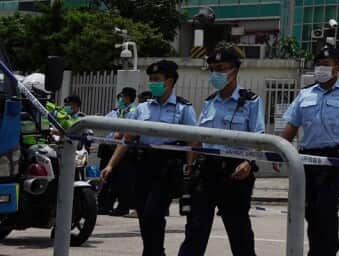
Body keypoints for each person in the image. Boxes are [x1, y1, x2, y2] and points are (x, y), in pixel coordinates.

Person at [279, 45, 339, 256]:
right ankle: (317, 250)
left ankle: (327, 251)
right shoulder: (305, 94)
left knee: (326, 206)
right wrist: (279, 150)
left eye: (325, 64)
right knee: (310, 209)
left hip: (336, 158)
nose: (320, 68)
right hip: (308, 157)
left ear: (336, 68)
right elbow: (292, 125)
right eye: (318, 64)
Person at [102, 60, 198, 256]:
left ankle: (154, 252)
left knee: (154, 212)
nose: (153, 83)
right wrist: (111, 165)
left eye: (157, 79)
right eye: (151, 79)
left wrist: (190, 167)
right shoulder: (142, 108)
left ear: (169, 81)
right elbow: (127, 139)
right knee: (143, 213)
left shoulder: (183, 108)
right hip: (142, 165)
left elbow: (193, 142)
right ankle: (153, 251)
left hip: (167, 167)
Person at [178, 47, 264, 256]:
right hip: (207, 170)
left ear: (234, 71)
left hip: (236, 171)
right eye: (213, 69)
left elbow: (259, 138)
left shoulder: (250, 101)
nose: (216, 73)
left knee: (239, 231)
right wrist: (190, 167)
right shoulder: (209, 103)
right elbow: (198, 140)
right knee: (195, 229)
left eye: (221, 68)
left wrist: (248, 162)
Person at [98, 87, 139, 216]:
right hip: (110, 148)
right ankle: (105, 205)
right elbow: (104, 123)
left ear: (129, 98)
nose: (121, 99)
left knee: (123, 181)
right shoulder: (116, 111)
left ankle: (122, 207)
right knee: (108, 179)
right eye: (120, 97)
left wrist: (119, 133)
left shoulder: (134, 111)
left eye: (123, 97)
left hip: (124, 150)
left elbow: (127, 130)